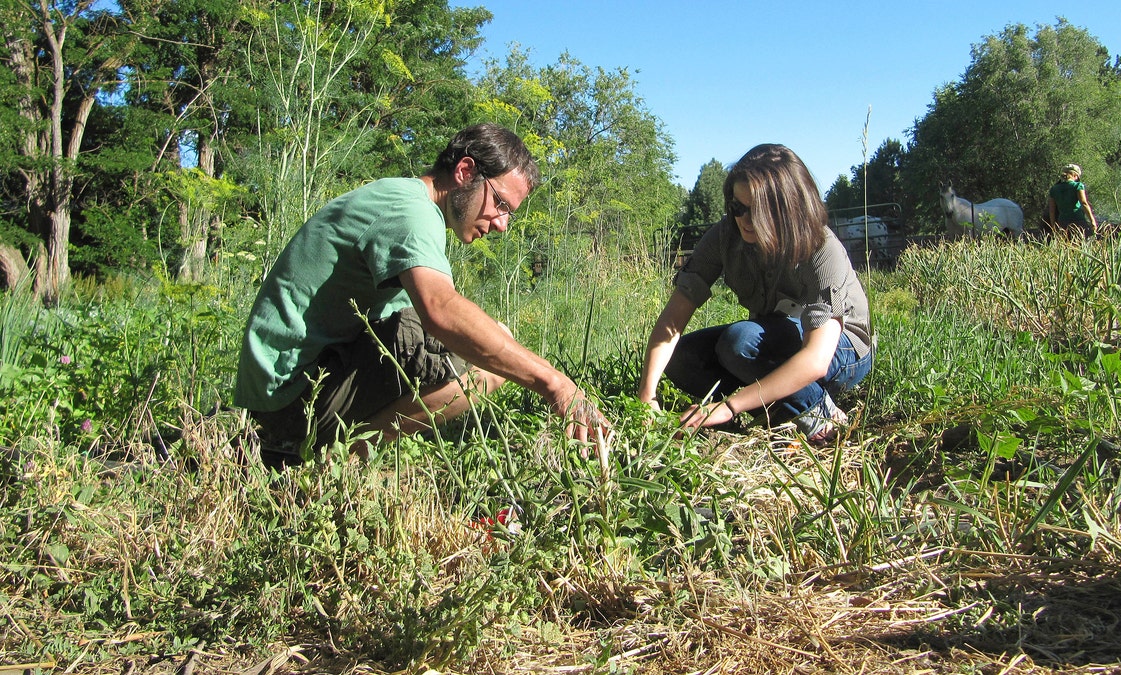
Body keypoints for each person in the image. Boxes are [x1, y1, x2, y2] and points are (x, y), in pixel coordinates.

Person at [235, 123, 610, 468]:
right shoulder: (411, 212)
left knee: (483, 343)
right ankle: (331, 465)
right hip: (289, 398)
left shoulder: (402, 198)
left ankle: (333, 454)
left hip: (284, 387)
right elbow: (440, 311)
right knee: (486, 365)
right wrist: (555, 383)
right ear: (465, 171)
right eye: (500, 204)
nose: (501, 224)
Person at [636, 144, 873, 442]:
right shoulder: (725, 237)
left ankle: (820, 414)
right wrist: (647, 394)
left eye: (759, 210)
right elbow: (674, 318)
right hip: (775, 337)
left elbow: (816, 359)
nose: (745, 220)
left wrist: (729, 407)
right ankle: (772, 404)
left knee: (740, 343)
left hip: (842, 349)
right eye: (738, 207)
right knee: (681, 357)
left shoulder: (820, 248)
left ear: (789, 208)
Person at [1046, 163, 1098, 237]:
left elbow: (1051, 210)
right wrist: (1092, 221)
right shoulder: (1077, 186)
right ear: (1075, 175)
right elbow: (1084, 203)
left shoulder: (1054, 189)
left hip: (1062, 222)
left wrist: (1054, 227)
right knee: (1084, 244)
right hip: (1078, 220)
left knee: (1066, 246)